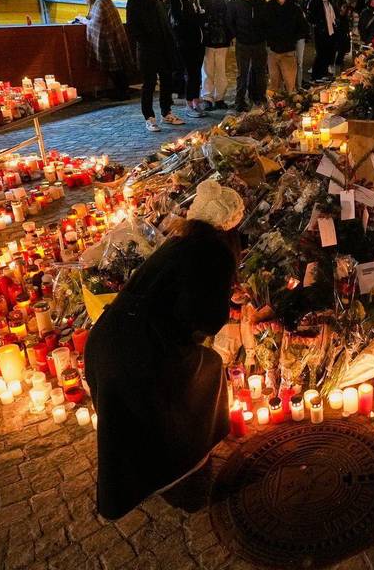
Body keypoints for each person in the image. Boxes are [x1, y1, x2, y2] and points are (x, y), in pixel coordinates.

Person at [85, 178, 244, 520]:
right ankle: (186, 474)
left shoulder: (179, 242)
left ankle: (161, 477)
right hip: (143, 352)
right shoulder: (215, 252)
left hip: (106, 341)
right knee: (202, 377)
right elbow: (205, 317)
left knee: (136, 416)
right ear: (230, 229)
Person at [127, 0, 184, 132]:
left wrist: (170, 43)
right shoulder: (136, 0)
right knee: (149, 84)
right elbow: (133, 26)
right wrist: (145, 41)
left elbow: (165, 24)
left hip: (164, 47)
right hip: (147, 49)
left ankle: (166, 112)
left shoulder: (158, 0)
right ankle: (149, 117)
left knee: (167, 80)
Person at [79, 0, 134, 101]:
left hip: (109, 39)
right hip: (115, 36)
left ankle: (122, 92)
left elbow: (96, 22)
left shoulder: (101, 2)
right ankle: (123, 91)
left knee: (115, 69)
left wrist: (84, 21)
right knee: (118, 67)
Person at [168, 0, 206, 117]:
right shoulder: (180, 1)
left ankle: (195, 99)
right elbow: (184, 21)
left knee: (196, 73)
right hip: (186, 43)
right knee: (190, 73)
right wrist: (200, 18)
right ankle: (189, 103)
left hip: (198, 41)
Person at [227, 0, 267, 110]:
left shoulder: (261, 2)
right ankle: (240, 101)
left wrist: (262, 35)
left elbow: (266, 22)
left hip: (259, 42)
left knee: (259, 71)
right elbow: (230, 21)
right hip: (243, 42)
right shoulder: (234, 2)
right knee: (242, 73)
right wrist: (236, 35)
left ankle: (258, 97)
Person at [263, 0, 307, 97]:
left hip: (288, 51)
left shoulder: (293, 8)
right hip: (273, 51)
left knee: (290, 86)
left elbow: (302, 27)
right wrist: (269, 39)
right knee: (274, 85)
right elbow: (264, 25)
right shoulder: (269, 7)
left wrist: (291, 38)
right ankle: (274, 111)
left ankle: (290, 110)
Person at [199, 0, 231, 109]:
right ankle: (207, 97)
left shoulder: (225, 1)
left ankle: (219, 97)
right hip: (207, 40)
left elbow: (228, 20)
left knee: (221, 70)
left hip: (222, 40)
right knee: (207, 70)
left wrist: (229, 36)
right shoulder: (203, 1)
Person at [308, 0, 340, 82]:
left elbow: (335, 17)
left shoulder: (331, 4)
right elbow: (311, 16)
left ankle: (323, 73)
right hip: (320, 32)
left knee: (329, 53)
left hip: (331, 32)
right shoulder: (315, 3)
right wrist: (317, 24)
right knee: (320, 54)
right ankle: (316, 75)